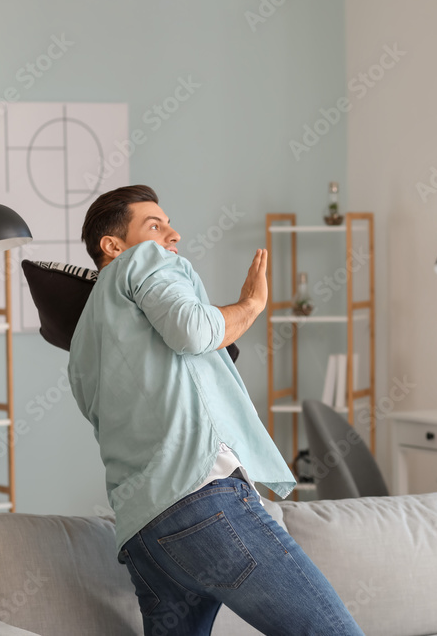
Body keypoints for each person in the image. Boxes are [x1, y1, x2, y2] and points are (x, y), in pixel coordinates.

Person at [68, 185, 364, 636]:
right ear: (113, 246)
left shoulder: (83, 342)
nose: (173, 234)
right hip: (202, 503)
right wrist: (251, 305)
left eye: (168, 223)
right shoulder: (141, 261)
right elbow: (192, 329)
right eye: (154, 225)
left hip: (144, 535)